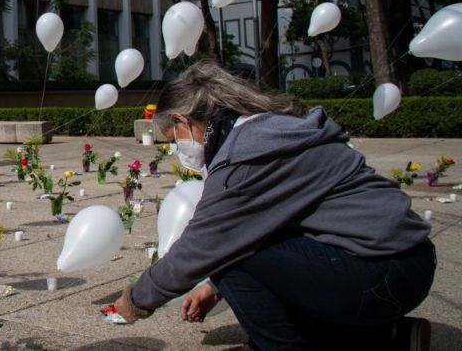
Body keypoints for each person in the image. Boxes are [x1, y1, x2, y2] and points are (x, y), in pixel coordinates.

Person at [113, 61, 435, 351]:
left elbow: (202, 247)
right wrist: (214, 287)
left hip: (381, 273)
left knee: (231, 254)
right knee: (250, 247)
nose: (176, 149)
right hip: (407, 260)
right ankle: (389, 337)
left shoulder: (242, 157)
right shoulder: (271, 127)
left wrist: (137, 300)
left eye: (173, 139)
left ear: (184, 121)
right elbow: (276, 223)